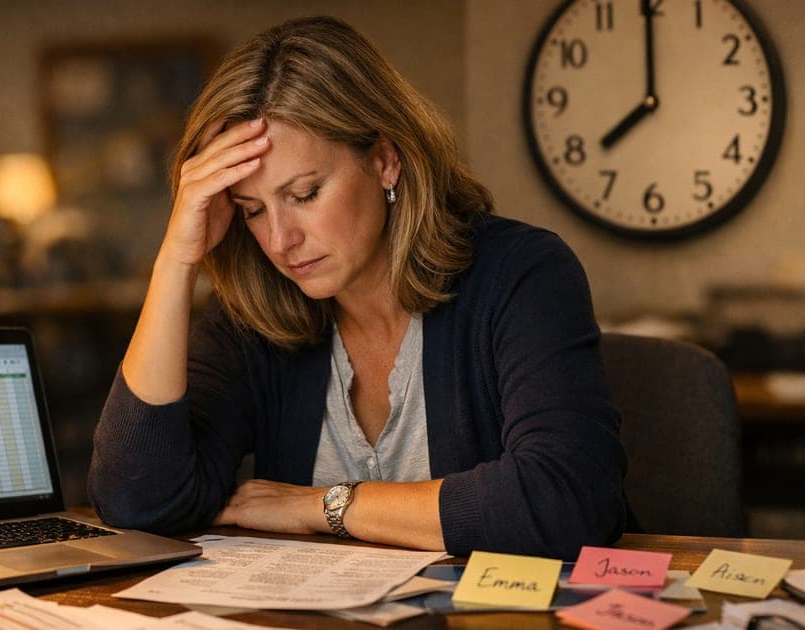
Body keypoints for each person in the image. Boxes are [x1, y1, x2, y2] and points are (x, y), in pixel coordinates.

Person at [88, 15, 626, 558]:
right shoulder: (255, 319)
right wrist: (177, 259)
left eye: (305, 194)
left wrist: (321, 506)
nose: (279, 240)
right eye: (252, 211)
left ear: (384, 160)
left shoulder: (521, 273)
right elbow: (137, 502)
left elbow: (567, 501)